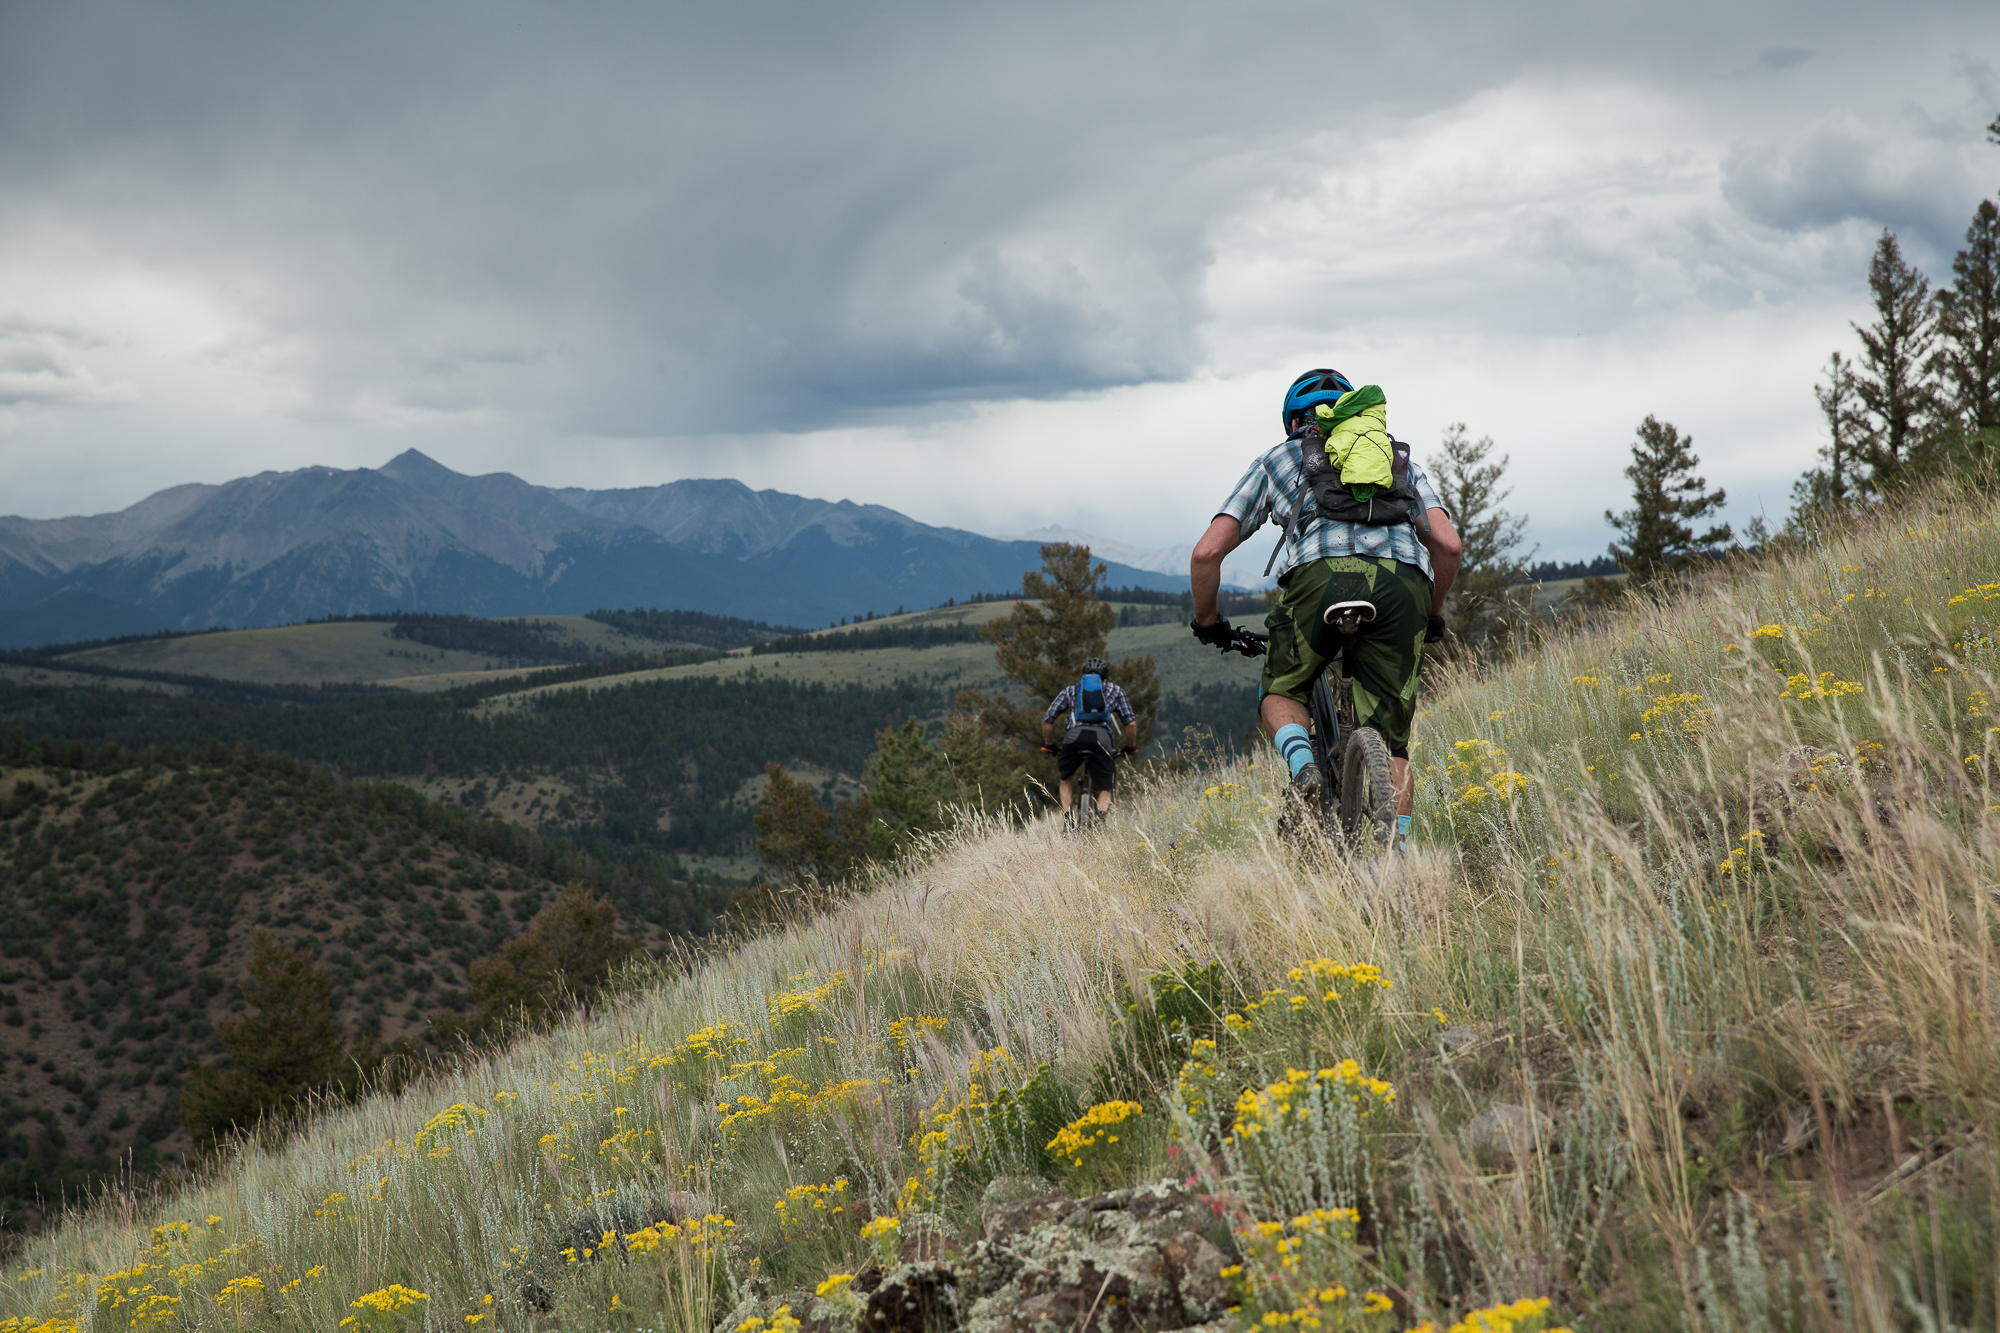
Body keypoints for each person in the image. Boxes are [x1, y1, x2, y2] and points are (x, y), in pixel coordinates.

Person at [1188, 368, 1462, 849]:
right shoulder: (1396, 459)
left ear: (1294, 422)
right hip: (1401, 586)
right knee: (1392, 744)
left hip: (1320, 580)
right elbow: (1449, 547)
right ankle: (1395, 862)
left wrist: (1208, 622)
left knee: (1281, 689)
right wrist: (1432, 613)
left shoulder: (1280, 458)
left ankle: (1305, 768)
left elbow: (1206, 553)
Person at [1040, 656, 1138, 822]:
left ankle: (1068, 820)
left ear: (1083, 676)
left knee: (1066, 778)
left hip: (1074, 737)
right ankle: (1099, 824)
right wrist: (1131, 747)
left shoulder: (1071, 690)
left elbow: (1047, 720)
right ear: (1105, 678)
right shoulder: (1116, 691)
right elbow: (1130, 724)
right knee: (1105, 786)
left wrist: (1050, 744)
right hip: (1101, 738)